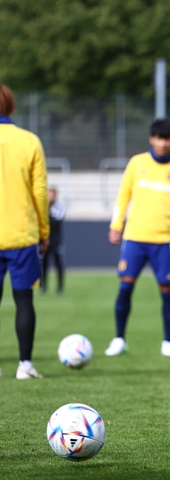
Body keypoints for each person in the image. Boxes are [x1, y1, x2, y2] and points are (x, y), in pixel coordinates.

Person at [107, 119, 170, 357]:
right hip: (134, 239)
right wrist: (116, 224)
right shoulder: (137, 163)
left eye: (167, 138)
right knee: (125, 285)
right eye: (158, 138)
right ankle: (119, 338)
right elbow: (123, 196)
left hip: (162, 241)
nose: (162, 143)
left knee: (167, 288)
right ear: (151, 138)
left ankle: (168, 341)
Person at [0, 84, 49, 379]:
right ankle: (25, 365)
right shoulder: (29, 141)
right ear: (12, 107)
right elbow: (40, 191)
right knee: (23, 301)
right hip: (21, 235)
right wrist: (44, 230)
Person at [41, 186, 65, 295]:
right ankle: (43, 285)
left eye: (52, 194)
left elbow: (56, 220)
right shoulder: (44, 206)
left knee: (58, 263)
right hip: (45, 238)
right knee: (44, 263)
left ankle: (60, 286)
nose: (50, 196)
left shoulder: (58, 206)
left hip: (55, 240)